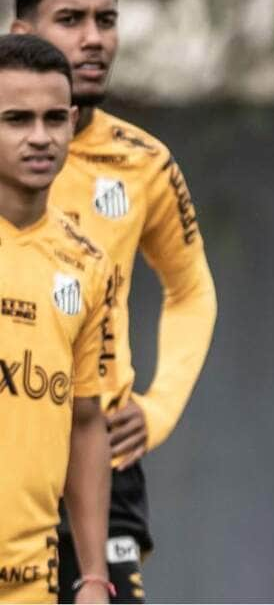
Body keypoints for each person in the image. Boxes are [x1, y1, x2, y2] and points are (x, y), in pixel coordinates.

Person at [11, 0, 218, 603]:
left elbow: (191, 290)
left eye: (107, 19)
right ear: (22, 35)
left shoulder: (144, 163)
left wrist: (157, 409)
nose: (94, 37)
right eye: (70, 19)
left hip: (96, 443)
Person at [0, 33, 115, 604]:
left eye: (53, 118)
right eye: (16, 120)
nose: (39, 137)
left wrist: (93, 574)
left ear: (73, 121)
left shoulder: (88, 264)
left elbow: (87, 419)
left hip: (33, 580)